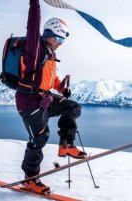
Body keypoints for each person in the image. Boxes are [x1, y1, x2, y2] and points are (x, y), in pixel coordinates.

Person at [15, 0, 86, 194]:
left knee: (73, 107)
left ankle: (66, 145)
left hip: (45, 99)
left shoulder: (50, 54)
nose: (61, 44)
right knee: (39, 139)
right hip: (30, 104)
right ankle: (30, 180)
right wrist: (35, 4)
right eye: (60, 39)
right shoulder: (35, 49)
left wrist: (61, 89)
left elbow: (51, 78)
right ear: (50, 35)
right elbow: (33, 25)